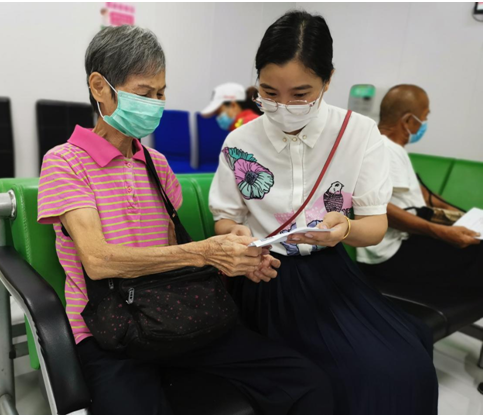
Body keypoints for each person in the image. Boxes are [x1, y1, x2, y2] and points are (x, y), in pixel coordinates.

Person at [37, 25, 334, 415]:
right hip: (112, 331)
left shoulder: (156, 165)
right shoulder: (65, 161)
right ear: (99, 87)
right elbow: (97, 260)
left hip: (176, 314)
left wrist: (238, 258)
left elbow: (179, 252)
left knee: (306, 383)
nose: (157, 103)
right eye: (145, 93)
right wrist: (205, 253)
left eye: (161, 93)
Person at [209, 11, 439, 415]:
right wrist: (241, 246)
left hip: (331, 274)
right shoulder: (238, 143)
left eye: (300, 94)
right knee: (358, 375)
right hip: (267, 279)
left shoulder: (358, 133)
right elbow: (226, 220)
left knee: (409, 359)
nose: (282, 107)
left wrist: (344, 228)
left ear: (328, 80)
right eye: (268, 93)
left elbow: (374, 226)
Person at [356, 84, 482, 289]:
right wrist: (439, 231)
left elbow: (424, 195)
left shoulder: (389, 148)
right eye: (424, 116)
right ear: (407, 121)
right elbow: (380, 208)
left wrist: (465, 216)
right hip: (392, 254)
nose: (424, 123)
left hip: (405, 243)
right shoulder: (384, 150)